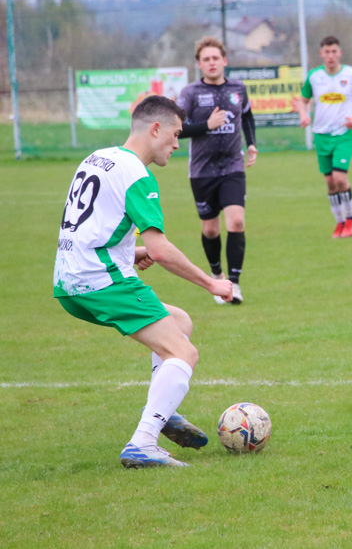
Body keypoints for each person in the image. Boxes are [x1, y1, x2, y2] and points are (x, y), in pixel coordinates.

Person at [53, 95, 234, 468]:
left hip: (69, 279)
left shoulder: (97, 158)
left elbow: (91, 228)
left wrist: (130, 253)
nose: (177, 143)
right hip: (101, 282)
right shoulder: (138, 174)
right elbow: (162, 250)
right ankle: (143, 442)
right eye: (175, 134)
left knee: (180, 323)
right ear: (156, 129)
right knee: (184, 353)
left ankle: (162, 413)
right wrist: (212, 283)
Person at [177, 36, 257, 304]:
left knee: (236, 222)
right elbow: (177, 127)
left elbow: (246, 116)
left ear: (224, 61)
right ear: (198, 64)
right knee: (210, 230)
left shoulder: (238, 88)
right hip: (202, 171)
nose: (211, 63)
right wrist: (207, 125)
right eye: (205, 59)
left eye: (215, 58)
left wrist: (253, 144)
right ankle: (217, 275)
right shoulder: (190, 93)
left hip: (233, 167)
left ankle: (233, 285)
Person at [295, 36, 352, 238]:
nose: (330, 56)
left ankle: (350, 219)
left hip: (344, 134)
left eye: (334, 51)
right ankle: (339, 222)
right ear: (321, 54)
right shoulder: (314, 77)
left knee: (340, 178)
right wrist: (304, 115)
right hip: (321, 135)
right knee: (330, 183)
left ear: (340, 53)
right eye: (326, 52)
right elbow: (303, 101)